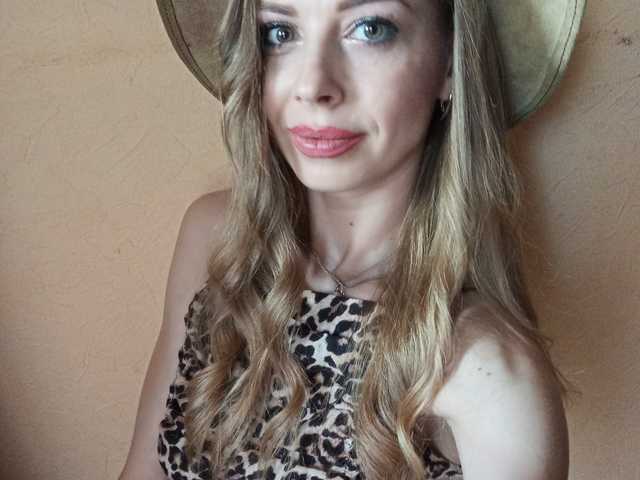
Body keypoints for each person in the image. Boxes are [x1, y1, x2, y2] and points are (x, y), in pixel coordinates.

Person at [119, 0, 586, 479]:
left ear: (449, 62)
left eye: (370, 28)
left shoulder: (485, 369)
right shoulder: (219, 241)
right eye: (279, 33)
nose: (313, 85)